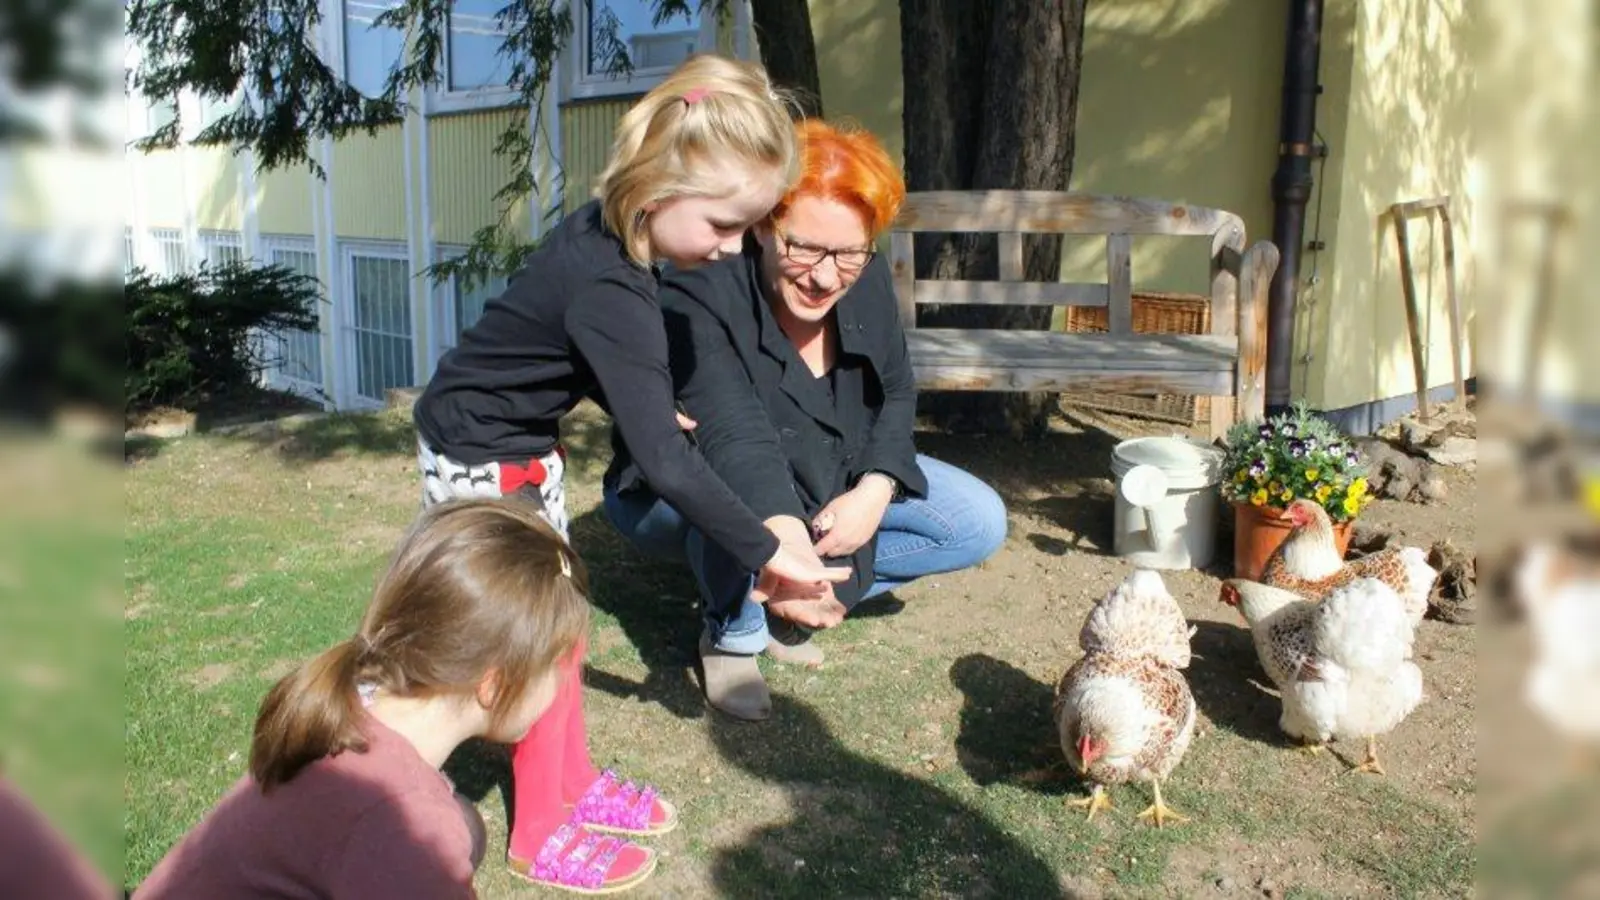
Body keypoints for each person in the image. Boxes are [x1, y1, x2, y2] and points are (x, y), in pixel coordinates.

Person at [408, 54, 850, 883]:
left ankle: (570, 783)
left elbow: (574, 354)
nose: (729, 250)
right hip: (480, 460)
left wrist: (640, 403)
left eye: (745, 230)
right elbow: (670, 468)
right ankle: (540, 829)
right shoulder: (612, 284)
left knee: (563, 625)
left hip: (514, 446)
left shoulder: (612, 236)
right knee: (535, 643)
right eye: (723, 226)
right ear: (656, 193)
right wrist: (766, 547)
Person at [604, 120, 1008, 720]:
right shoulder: (699, 290)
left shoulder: (860, 275)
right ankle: (732, 628)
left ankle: (790, 592)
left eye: (847, 253)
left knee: (978, 520)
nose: (824, 276)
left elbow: (897, 390)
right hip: (701, 482)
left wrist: (876, 488)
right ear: (765, 224)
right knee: (723, 488)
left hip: (828, 466)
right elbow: (732, 435)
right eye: (804, 248)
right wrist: (786, 543)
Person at [132, 500, 658, 897]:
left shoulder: (349, 711)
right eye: (559, 664)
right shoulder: (405, 825)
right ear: (494, 684)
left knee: (467, 826)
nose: (565, 684)